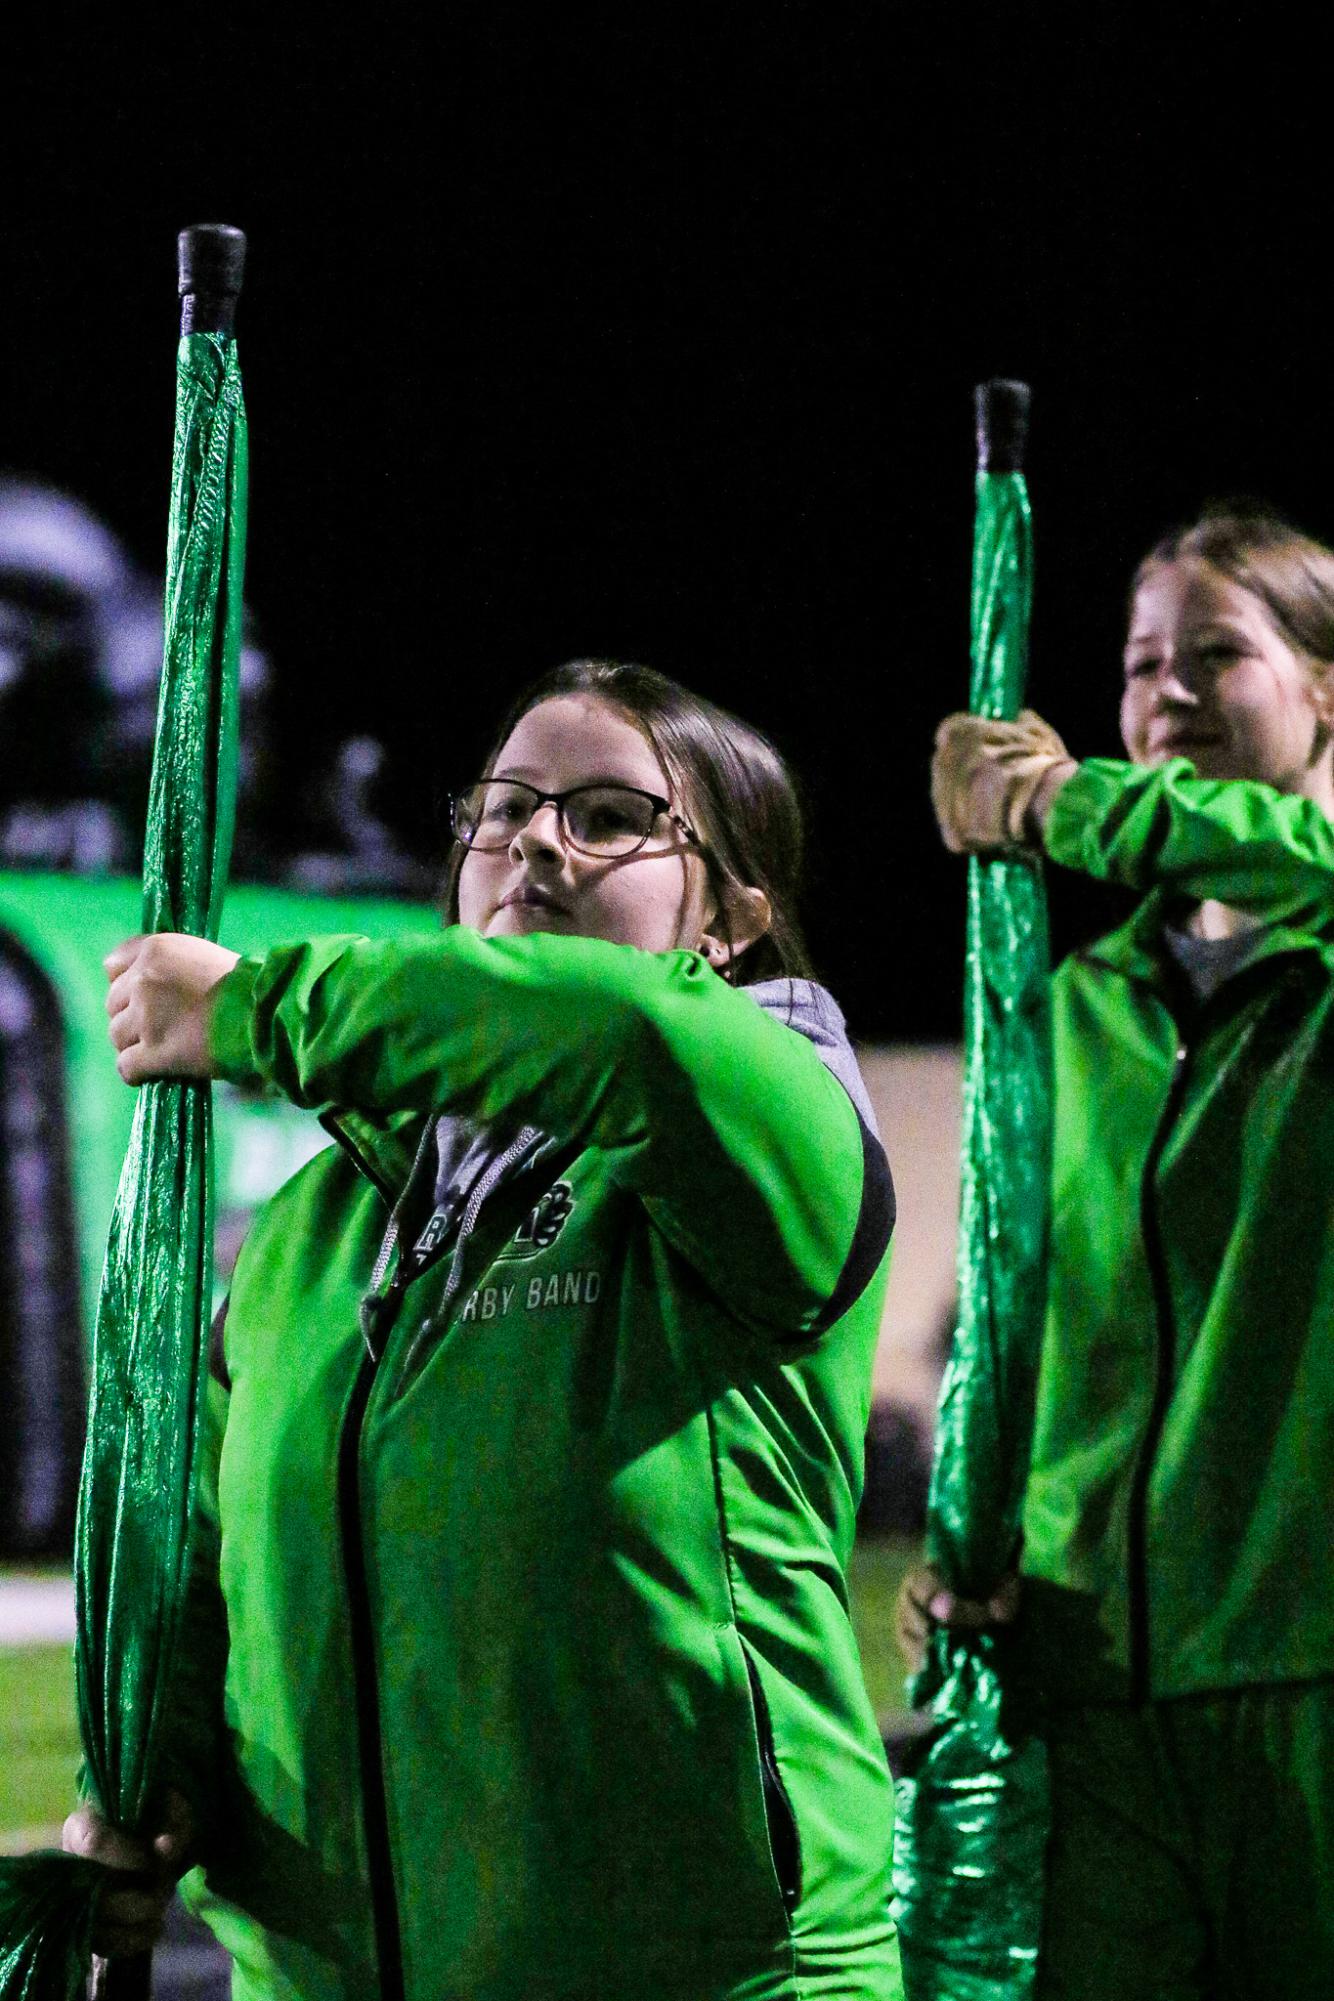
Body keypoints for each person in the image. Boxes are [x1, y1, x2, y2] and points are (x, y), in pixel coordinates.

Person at [65, 658, 902, 2001]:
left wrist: (261, 1009)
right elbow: (202, 1559)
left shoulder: (773, 1115)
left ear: (733, 917)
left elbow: (631, 1042)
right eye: (504, 808)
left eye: (609, 815)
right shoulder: (308, 1231)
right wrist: (155, 1781)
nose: (533, 841)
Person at [903, 507, 1334, 1998]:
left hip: (1309, 1669)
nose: (1167, 692)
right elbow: (1029, 1303)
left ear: (1327, 690)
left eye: (1220, 651)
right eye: (1142, 661)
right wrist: (984, 1533)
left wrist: (1063, 808)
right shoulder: (1077, 1002)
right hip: (1091, 1684)